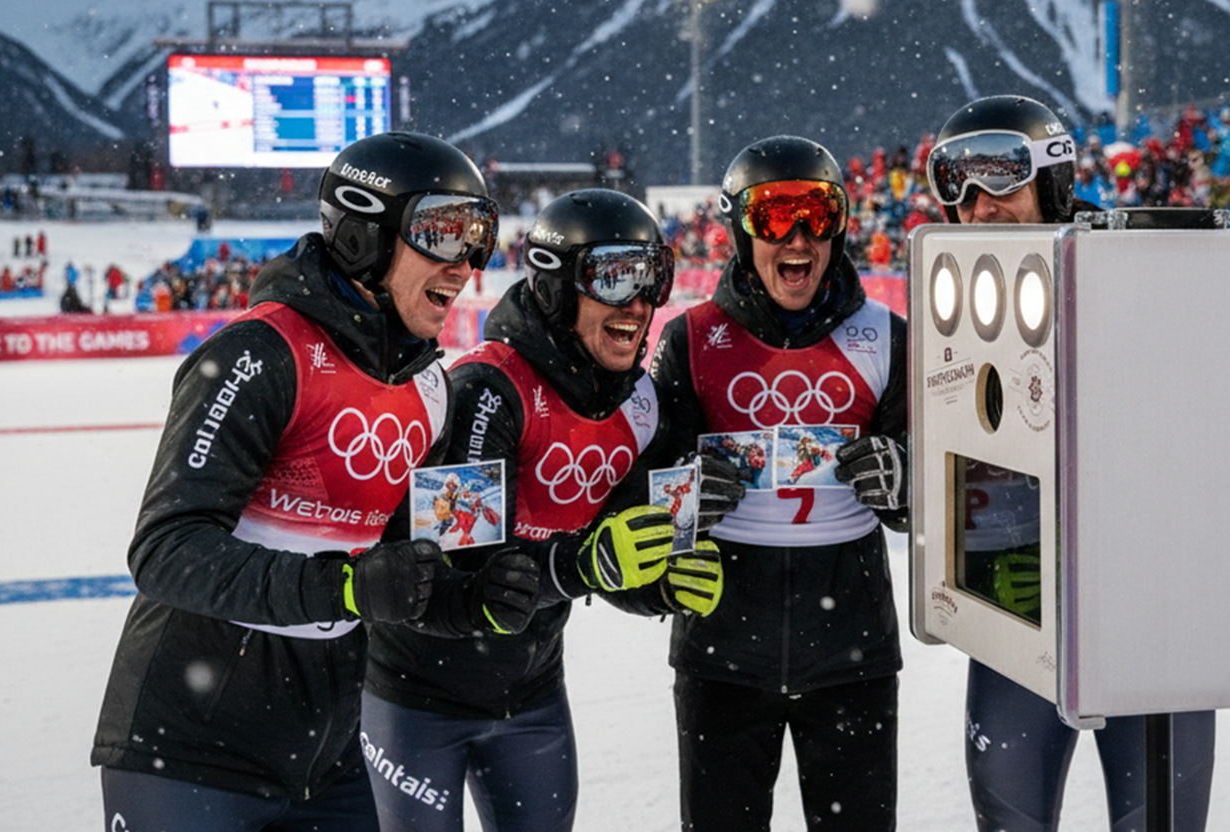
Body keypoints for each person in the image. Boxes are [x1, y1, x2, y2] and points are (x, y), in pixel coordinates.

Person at [90, 132, 542, 832]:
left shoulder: (429, 388)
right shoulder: (261, 354)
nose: (469, 262)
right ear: (365, 234)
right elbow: (165, 551)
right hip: (186, 751)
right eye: (445, 232)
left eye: (479, 236)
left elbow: (403, 573)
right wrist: (344, 586)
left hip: (324, 760)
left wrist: (471, 599)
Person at [361, 188, 742, 832]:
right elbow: (461, 569)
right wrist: (585, 564)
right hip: (417, 696)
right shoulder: (490, 388)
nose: (639, 301)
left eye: (653, 276)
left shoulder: (641, 406)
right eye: (614, 276)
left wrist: (660, 584)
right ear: (556, 289)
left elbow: (612, 559)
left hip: (533, 693)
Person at [927, 94, 1217, 832]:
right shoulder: (951, 294)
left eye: (1000, 178)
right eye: (955, 184)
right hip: (1014, 591)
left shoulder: (1147, 268)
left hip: (1147, 607)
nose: (977, 206)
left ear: (1052, 180)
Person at [648, 135, 909, 831]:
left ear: (840, 225)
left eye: (817, 214)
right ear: (740, 229)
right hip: (723, 655)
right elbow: (640, 485)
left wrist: (904, 481)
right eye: (773, 215)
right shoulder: (691, 338)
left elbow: (936, 492)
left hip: (851, 653)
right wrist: (682, 497)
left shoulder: (887, 334)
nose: (798, 237)